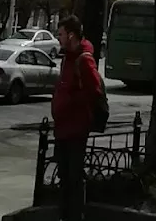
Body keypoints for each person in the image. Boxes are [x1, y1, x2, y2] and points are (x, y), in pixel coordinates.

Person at [51, 15, 102, 221]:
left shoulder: (84, 59)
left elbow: (95, 90)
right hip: (63, 127)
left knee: (73, 176)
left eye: (61, 34)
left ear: (71, 35)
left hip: (75, 128)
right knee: (64, 175)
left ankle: (75, 215)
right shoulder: (67, 58)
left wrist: (72, 101)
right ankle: (65, 214)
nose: (58, 38)